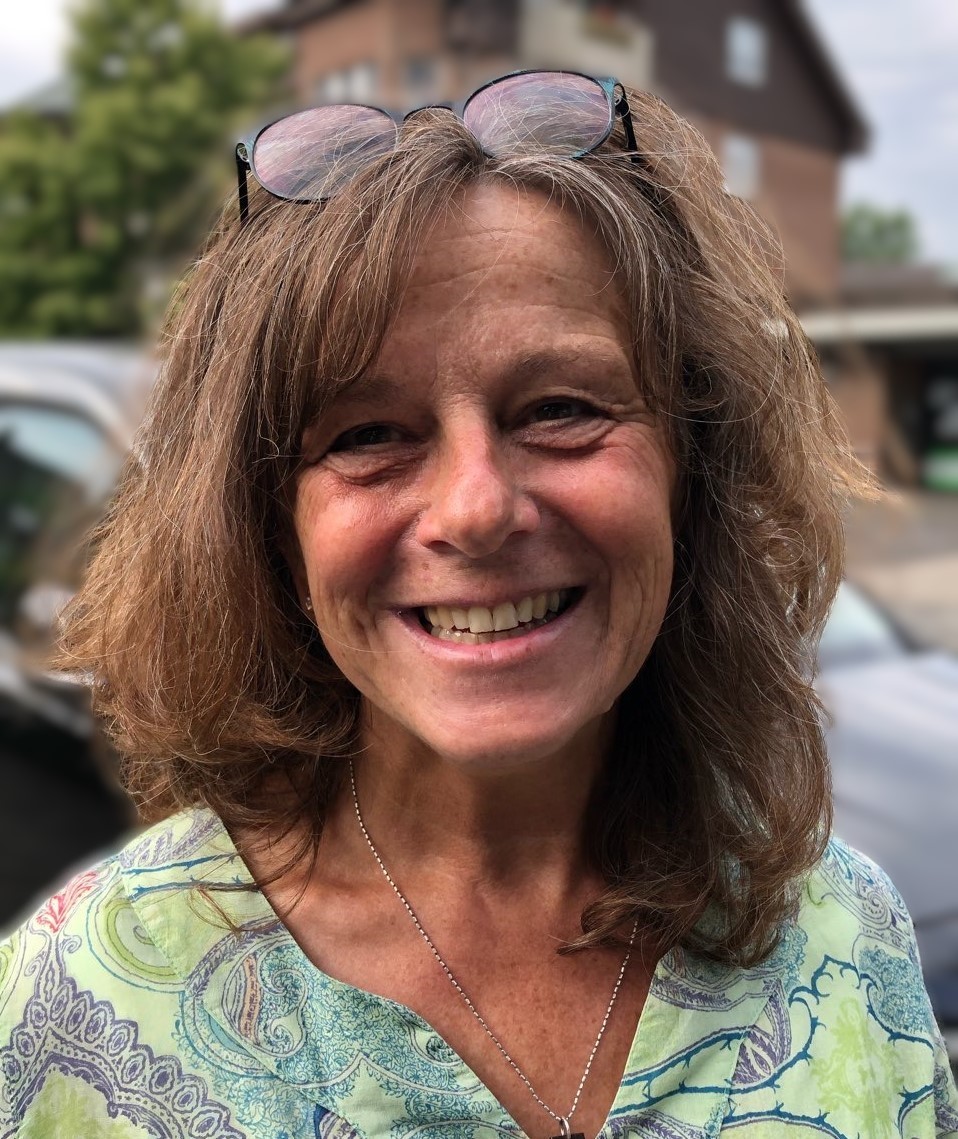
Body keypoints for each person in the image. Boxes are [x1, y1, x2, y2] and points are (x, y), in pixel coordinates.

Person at [1, 70, 955, 1139]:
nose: (476, 508)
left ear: (694, 467)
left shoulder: (848, 939)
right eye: (367, 434)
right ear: (268, 525)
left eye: (560, 408)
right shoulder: (76, 1008)